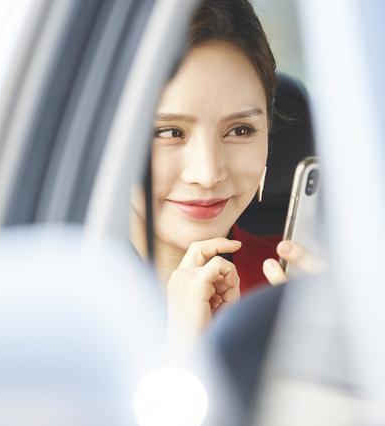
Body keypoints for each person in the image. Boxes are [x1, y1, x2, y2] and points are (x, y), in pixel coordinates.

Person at [130, 0, 323, 349]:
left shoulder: (301, 292)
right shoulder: (64, 298)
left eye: (240, 130)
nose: (207, 174)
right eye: (170, 132)